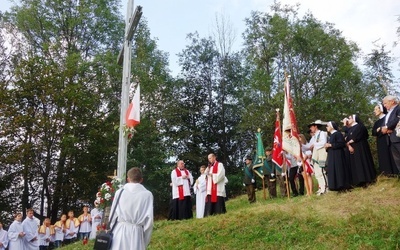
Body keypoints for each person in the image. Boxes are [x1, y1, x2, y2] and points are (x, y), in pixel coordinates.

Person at [109, 167, 153, 250]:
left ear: (128, 179)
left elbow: (113, 215)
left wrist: (112, 230)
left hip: (120, 232)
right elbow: (149, 221)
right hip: (137, 233)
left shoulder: (120, 192)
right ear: (141, 180)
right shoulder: (147, 195)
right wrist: (145, 240)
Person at [346, 114, 377, 187]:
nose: (348, 119)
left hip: (361, 148)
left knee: (363, 163)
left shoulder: (360, 126)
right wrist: (349, 144)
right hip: (353, 148)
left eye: (349, 118)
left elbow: (358, 136)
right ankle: (359, 181)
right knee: (356, 165)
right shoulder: (350, 129)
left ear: (354, 119)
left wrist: (350, 142)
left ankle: (368, 180)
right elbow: (347, 138)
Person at [372, 103, 398, 176]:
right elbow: (373, 132)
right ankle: (387, 173)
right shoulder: (377, 122)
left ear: (381, 109)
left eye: (376, 109)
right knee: (384, 156)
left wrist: (380, 130)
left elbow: (389, 127)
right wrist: (379, 130)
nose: (374, 111)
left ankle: (395, 172)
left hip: (388, 139)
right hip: (381, 141)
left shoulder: (387, 117)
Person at [325, 121, 351, 192]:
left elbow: (342, 144)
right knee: (334, 170)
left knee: (339, 170)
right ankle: (337, 186)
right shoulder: (331, 135)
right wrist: (327, 147)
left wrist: (330, 145)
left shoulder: (338, 134)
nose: (326, 127)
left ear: (332, 126)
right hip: (332, 155)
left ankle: (343, 186)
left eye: (327, 126)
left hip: (338, 155)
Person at [307, 120, 328, 195]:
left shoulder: (322, 133)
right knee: (317, 172)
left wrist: (315, 144)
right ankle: (321, 188)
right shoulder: (314, 136)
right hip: (316, 155)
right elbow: (308, 146)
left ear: (316, 126)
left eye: (311, 127)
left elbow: (323, 142)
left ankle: (325, 188)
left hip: (321, 155)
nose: (310, 128)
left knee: (322, 171)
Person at [381, 95, 400, 174]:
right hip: (391, 140)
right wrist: (384, 129)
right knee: (398, 161)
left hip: (398, 138)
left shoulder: (398, 109)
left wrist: (387, 127)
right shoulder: (388, 113)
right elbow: (383, 125)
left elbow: (398, 119)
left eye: (385, 103)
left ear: (392, 101)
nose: (384, 105)